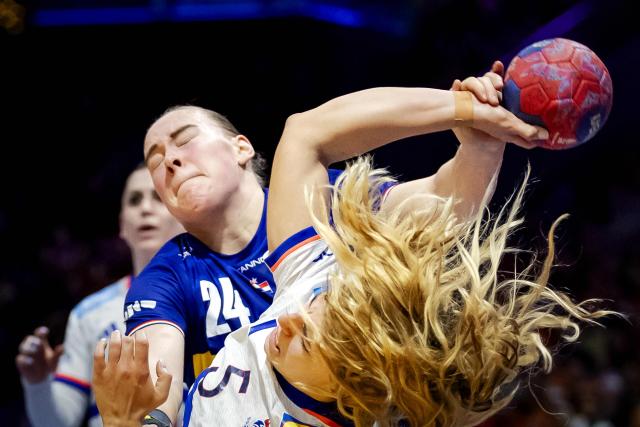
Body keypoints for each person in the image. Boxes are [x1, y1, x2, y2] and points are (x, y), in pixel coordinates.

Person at [93, 63, 612, 426]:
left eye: (182, 139)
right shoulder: (295, 268)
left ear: (241, 148)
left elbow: (446, 208)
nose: (169, 160)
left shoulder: (332, 206)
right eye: (156, 158)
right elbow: (152, 383)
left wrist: (480, 137)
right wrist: (471, 116)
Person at [16, 164, 184, 427]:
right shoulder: (89, 313)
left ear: (184, 214)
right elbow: (58, 422)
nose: (145, 208)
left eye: (158, 198)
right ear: (122, 225)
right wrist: (38, 384)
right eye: (134, 200)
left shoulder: (213, 292)